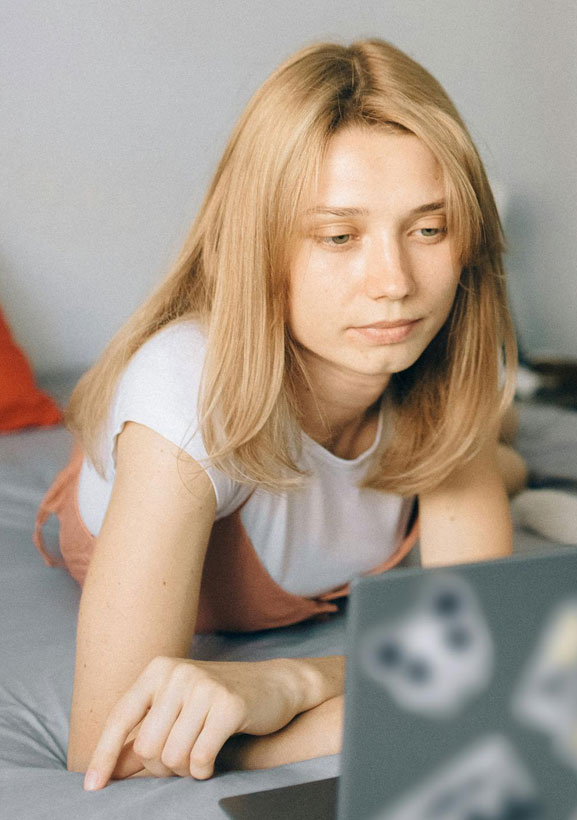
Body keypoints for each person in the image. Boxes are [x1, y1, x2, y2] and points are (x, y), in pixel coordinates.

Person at [30, 38, 526, 789]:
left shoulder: (450, 355)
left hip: (360, 467)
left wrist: (293, 684)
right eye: (338, 236)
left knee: (496, 438)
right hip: (185, 474)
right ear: (262, 246)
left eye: (429, 229)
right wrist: (252, 743)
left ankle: (514, 456)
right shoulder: (185, 401)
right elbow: (111, 743)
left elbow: (484, 653)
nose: (393, 283)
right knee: (496, 458)